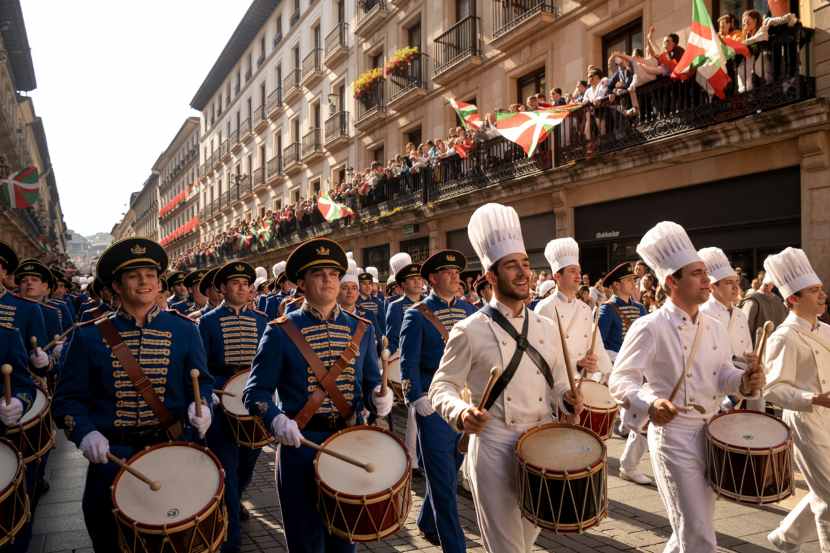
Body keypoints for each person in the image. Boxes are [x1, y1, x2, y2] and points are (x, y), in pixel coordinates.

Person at [429, 203, 582, 553]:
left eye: (526, 264)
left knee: (526, 543)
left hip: (542, 446)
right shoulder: (469, 329)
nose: (524, 273)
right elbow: (442, 385)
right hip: (494, 447)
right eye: (512, 266)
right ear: (491, 275)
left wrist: (566, 397)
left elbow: (558, 382)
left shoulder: (547, 325)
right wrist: (460, 412)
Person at [609, 221, 764, 553]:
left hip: (710, 432)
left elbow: (723, 375)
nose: (706, 280)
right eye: (696, 274)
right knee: (699, 534)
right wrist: (650, 402)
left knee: (691, 529)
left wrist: (745, 382)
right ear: (671, 281)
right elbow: (621, 379)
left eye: (704, 273)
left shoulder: (715, 326)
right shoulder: (649, 326)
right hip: (673, 434)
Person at [53, 238, 214, 553]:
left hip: (172, 450)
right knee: (110, 539)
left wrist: (204, 405)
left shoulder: (184, 330)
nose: (145, 282)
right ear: (115, 284)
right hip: (115, 456)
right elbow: (66, 401)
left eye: (151, 275)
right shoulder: (88, 336)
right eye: (134, 275)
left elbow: (202, 382)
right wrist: (85, 434)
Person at [243, 238, 393, 553]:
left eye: (333, 274)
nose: (328, 280)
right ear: (301, 282)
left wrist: (378, 398)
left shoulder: (361, 328)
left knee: (345, 541)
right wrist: (276, 419)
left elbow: (368, 384)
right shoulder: (280, 330)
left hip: (349, 443)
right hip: (301, 447)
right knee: (306, 540)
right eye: (318, 274)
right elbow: (255, 392)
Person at [400, 249, 477, 550]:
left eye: (457, 272)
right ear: (432, 279)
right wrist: (417, 398)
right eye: (448, 272)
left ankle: (426, 521)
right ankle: (454, 546)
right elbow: (408, 363)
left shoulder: (470, 311)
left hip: (465, 404)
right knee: (445, 486)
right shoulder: (416, 314)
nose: (456, 276)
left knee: (451, 468)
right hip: (433, 407)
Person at [762, 248, 830, 553]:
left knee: (822, 489)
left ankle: (786, 537)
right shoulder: (784, 337)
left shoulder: (827, 331)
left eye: (821, 290)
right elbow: (772, 389)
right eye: (814, 291)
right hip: (806, 421)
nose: (822, 295)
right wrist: (812, 397)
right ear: (793, 299)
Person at [199, 261, 267, 553]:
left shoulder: (263, 320)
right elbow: (200, 365)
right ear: (222, 288)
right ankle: (231, 538)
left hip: (252, 401)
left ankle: (236, 495)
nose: (242, 288)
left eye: (246, 283)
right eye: (235, 283)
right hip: (221, 400)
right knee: (226, 463)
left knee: (248, 459)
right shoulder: (208, 321)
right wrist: (213, 391)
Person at [535, 238, 612, 384]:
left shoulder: (584, 308)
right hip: (558, 386)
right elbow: (543, 356)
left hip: (584, 381)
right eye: (572, 271)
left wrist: (607, 374)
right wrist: (576, 364)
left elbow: (596, 345)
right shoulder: (545, 308)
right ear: (557, 276)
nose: (578, 277)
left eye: (579, 271)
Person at [698, 247, 761, 411]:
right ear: (713, 287)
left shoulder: (740, 314)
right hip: (712, 389)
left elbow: (746, 348)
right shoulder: (703, 313)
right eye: (728, 283)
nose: (735, 288)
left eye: (737, 282)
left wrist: (751, 361)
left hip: (740, 386)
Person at [384, 252, 424, 473]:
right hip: (407, 361)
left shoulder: (429, 304)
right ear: (402, 285)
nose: (418, 283)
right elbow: (393, 336)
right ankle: (413, 457)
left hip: (427, 361)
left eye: (420, 279)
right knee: (414, 411)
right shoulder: (396, 306)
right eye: (413, 280)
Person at [0, 241, 49, 374]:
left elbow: (40, 355)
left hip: (11, 385)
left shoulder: (27, 308)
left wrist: (40, 359)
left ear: (4, 273)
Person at [741, 269, 788, 344]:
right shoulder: (779, 301)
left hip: (758, 349)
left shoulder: (753, 300)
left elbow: (743, 328)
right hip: (775, 347)